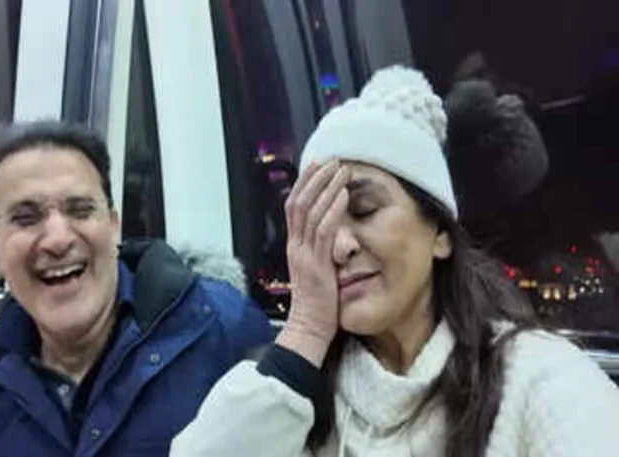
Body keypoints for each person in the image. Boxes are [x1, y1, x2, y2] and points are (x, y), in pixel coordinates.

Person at [170, 66, 619, 457]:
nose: (340, 246)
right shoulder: (296, 394)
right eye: (320, 224)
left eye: (364, 210)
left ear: (439, 233)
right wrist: (305, 330)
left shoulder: (537, 380)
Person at [0, 121, 272, 457]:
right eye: (26, 218)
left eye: (80, 210)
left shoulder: (222, 330)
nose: (58, 239)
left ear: (113, 226)